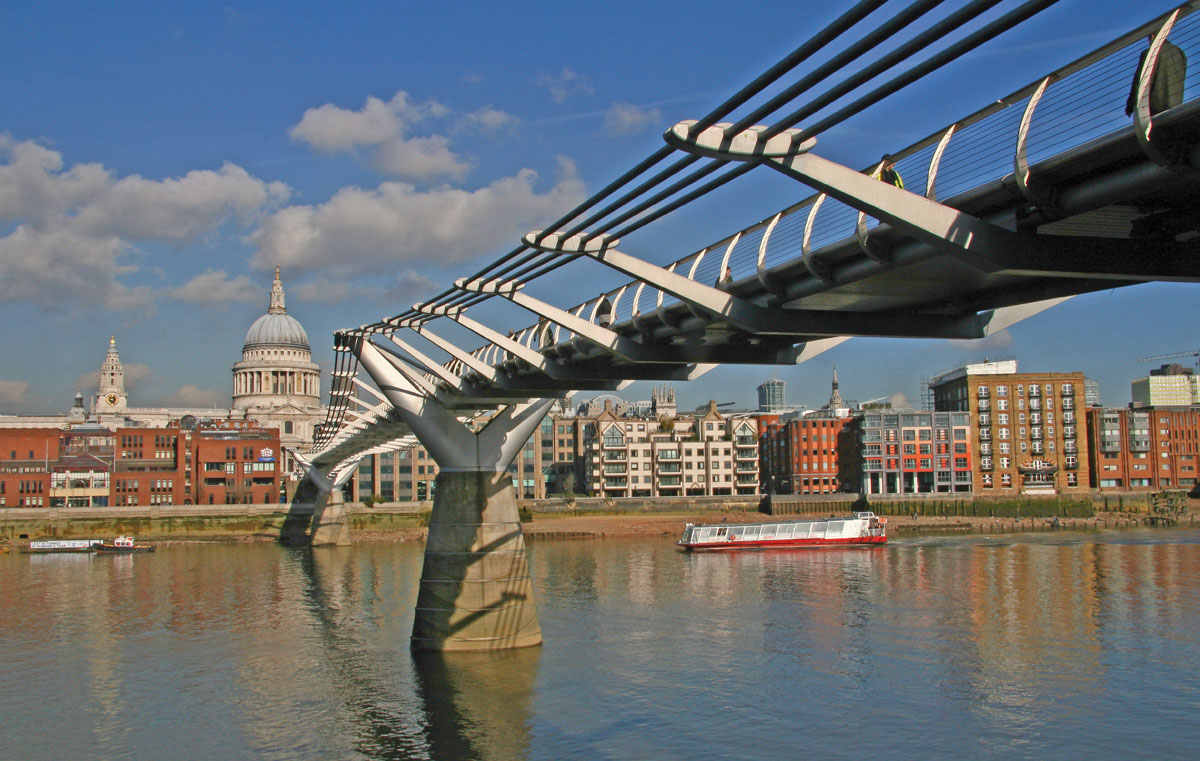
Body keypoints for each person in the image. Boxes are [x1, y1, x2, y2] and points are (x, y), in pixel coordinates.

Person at [1126, 34, 1187, 117]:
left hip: (1154, 108)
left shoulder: (1149, 53)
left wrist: (1130, 105)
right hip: (1175, 105)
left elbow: (1139, 81)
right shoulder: (1179, 52)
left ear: (1152, 36)